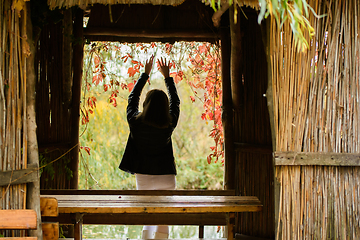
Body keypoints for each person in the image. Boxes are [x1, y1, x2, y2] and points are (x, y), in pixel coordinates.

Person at [119, 56, 180, 239]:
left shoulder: (135, 122)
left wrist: (145, 74)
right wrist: (168, 78)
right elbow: (175, 102)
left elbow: (132, 98)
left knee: (148, 217)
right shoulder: (168, 125)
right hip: (166, 177)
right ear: (164, 108)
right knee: (163, 219)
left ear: (145, 105)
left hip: (143, 177)